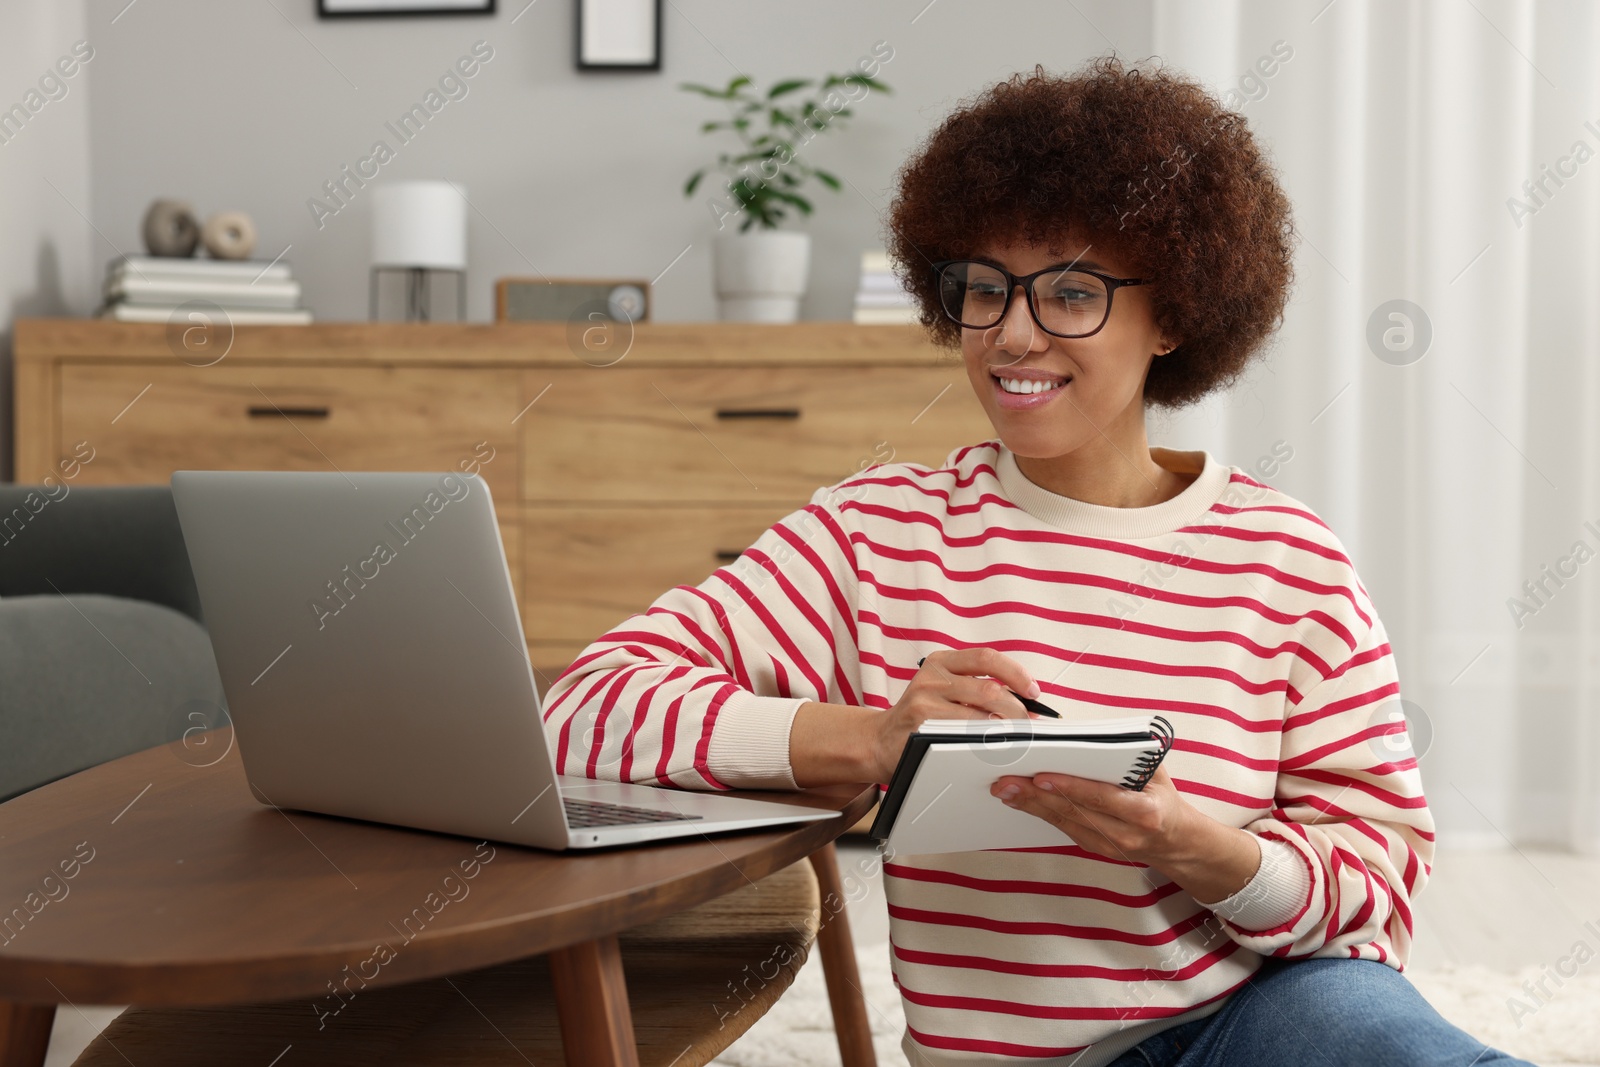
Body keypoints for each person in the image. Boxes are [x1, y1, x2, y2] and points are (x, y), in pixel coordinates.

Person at [542, 56, 1535, 1067]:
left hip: (1255, 1025)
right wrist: (876, 740)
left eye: (1071, 291)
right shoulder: (878, 531)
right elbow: (579, 710)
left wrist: (1194, 845)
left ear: (1178, 314)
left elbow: (1378, 884)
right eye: (984, 287)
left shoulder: (1288, 562)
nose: (1013, 333)